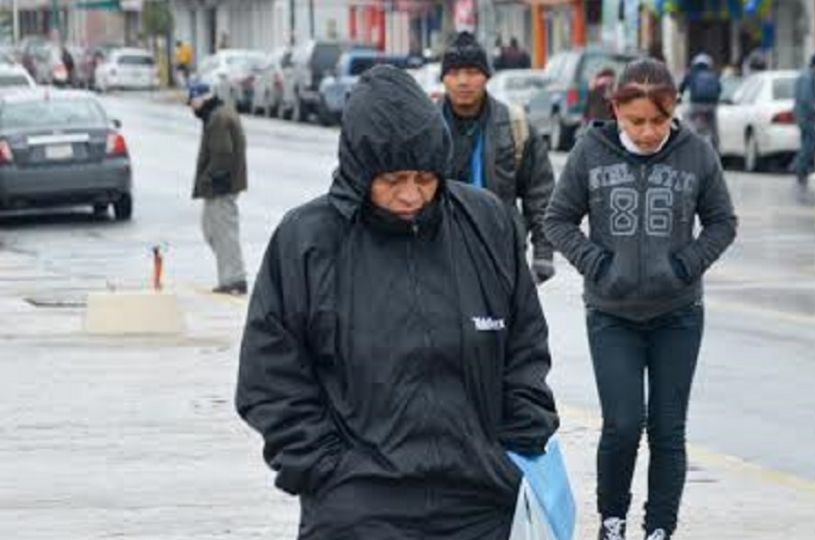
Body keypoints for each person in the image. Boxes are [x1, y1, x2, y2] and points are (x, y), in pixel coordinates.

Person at [235, 65, 558, 539]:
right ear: (359, 171)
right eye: (392, 179)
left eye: (424, 177)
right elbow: (269, 376)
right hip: (357, 509)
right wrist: (327, 472)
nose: (410, 195)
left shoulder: (486, 222)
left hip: (480, 502)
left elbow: (526, 346)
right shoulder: (307, 241)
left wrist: (514, 448)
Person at [544, 58, 737, 540]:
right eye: (637, 121)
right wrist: (597, 265)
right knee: (623, 423)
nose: (649, 131)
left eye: (659, 120)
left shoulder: (697, 154)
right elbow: (558, 220)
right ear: (616, 111)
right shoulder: (591, 150)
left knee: (668, 429)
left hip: (679, 314)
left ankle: (659, 528)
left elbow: (722, 223)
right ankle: (613, 521)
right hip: (612, 315)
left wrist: (684, 265)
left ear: (674, 110)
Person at [440, 31, 556, 284]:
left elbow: (540, 194)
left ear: (486, 77)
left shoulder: (515, 126)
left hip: (500, 255)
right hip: (439, 255)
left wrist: (543, 254)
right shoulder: (426, 127)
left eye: (472, 72)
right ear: (444, 79)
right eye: (454, 73)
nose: (463, 81)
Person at [187, 82, 248, 295]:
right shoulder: (218, 114)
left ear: (201, 98)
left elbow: (222, 154)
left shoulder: (217, 119)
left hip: (221, 186)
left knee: (224, 233)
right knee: (212, 230)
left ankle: (234, 279)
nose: (191, 106)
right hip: (219, 185)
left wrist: (208, 178)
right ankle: (231, 276)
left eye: (192, 101)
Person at [791, 52, 815, 185]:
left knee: (806, 142)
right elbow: (807, 98)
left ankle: (802, 168)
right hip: (806, 116)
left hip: (802, 115)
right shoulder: (808, 77)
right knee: (811, 143)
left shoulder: (805, 74)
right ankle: (798, 167)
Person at [678, 53, 721, 149]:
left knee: (685, 117)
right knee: (713, 126)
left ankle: (689, 138)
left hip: (696, 105)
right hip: (711, 105)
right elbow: (719, 89)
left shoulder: (692, 74)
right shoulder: (713, 74)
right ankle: (716, 145)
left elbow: (682, 87)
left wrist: (678, 98)